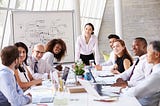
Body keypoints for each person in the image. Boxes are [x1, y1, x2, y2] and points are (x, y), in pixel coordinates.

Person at [122, 40, 160, 106]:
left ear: (156, 54)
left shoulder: (157, 74)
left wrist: (122, 89)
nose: (146, 55)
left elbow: (135, 93)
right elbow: (144, 83)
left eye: (148, 52)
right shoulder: (155, 70)